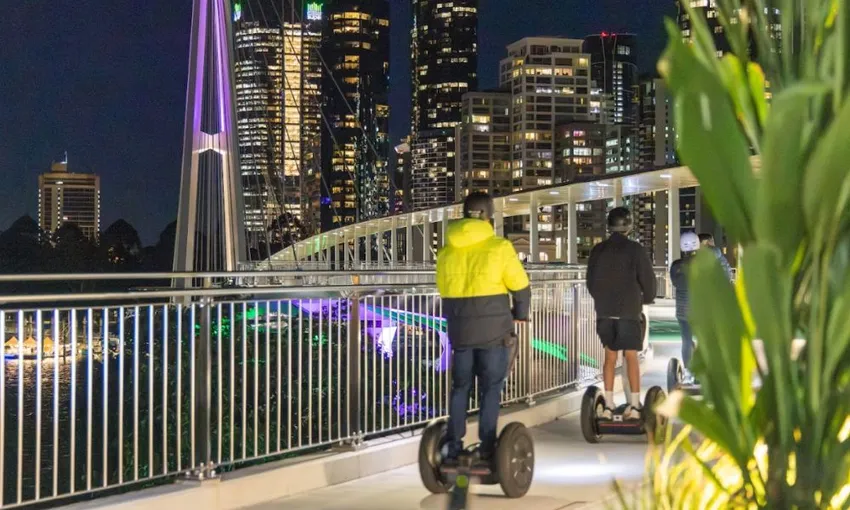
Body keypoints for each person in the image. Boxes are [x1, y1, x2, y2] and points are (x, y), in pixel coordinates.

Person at [436, 192, 531, 467]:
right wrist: (520, 314)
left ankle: (453, 448)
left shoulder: (446, 251)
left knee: (460, 387)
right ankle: (487, 447)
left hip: (460, 331)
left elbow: (443, 288)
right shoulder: (499, 247)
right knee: (490, 388)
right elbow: (520, 285)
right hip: (493, 331)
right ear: (489, 216)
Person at [586, 207, 656, 420]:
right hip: (628, 311)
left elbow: (590, 282)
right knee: (631, 356)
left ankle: (608, 406)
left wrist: (601, 300)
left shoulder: (597, 250)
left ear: (609, 226)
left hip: (605, 311)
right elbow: (648, 281)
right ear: (629, 225)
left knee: (609, 356)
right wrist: (646, 299)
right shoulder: (635, 250)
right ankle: (634, 406)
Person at [670, 232, 700, 382]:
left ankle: (688, 372)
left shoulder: (676, 266)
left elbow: (675, 283)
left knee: (686, 340)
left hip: (682, 310)